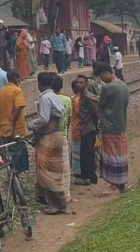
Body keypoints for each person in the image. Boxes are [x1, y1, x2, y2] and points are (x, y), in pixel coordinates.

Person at [28, 72, 68, 214]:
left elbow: (44, 119)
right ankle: (59, 201)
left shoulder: (45, 98)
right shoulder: (55, 96)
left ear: (40, 83)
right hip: (57, 135)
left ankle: (55, 204)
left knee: (47, 171)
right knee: (55, 170)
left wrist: (31, 124)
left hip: (49, 138)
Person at [98, 64, 130, 193]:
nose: (101, 79)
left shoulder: (107, 87)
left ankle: (114, 184)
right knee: (120, 155)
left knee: (111, 156)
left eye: (102, 76)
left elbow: (101, 104)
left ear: (106, 73)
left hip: (109, 126)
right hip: (121, 125)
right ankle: (121, 181)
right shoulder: (123, 85)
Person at [0, 69, 29, 173]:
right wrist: (12, 124)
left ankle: (11, 177)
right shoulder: (17, 90)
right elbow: (18, 107)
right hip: (15, 129)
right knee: (17, 155)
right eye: (19, 78)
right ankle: (15, 178)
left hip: (3, 128)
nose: (20, 80)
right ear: (15, 79)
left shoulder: (1, 91)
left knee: (8, 154)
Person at [76, 75, 98, 185]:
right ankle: (92, 176)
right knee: (88, 152)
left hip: (88, 128)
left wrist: (95, 125)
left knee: (86, 153)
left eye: (81, 82)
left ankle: (87, 177)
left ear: (86, 84)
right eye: (78, 82)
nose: (79, 84)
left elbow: (94, 113)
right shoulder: (82, 96)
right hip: (84, 127)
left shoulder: (88, 97)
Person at [54, 76, 73, 201]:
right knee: (65, 166)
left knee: (54, 167)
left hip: (52, 137)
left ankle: (57, 194)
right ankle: (66, 194)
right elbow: (69, 118)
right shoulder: (67, 100)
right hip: (64, 135)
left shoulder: (46, 99)